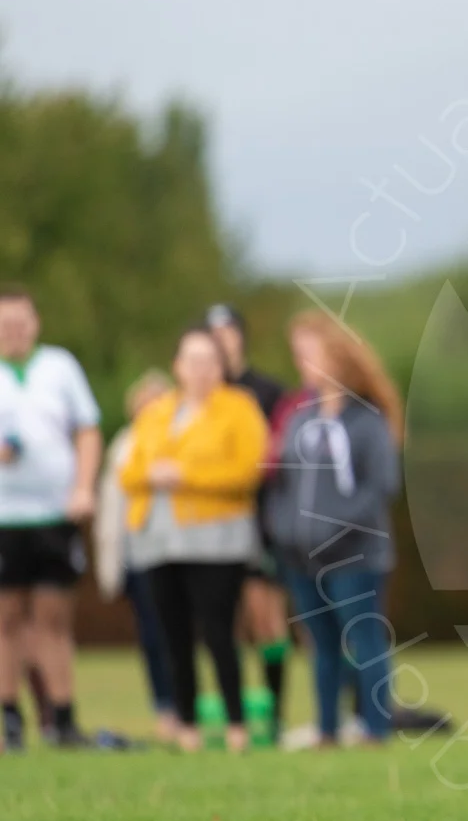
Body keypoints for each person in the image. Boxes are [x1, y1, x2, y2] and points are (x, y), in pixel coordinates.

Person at [121, 327, 268, 753]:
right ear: (177, 367)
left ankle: (236, 723)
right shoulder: (157, 411)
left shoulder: (239, 409)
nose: (201, 369)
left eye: (209, 360)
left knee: (219, 632)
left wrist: (188, 478)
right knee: (173, 634)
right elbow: (128, 471)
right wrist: (152, 475)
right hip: (159, 540)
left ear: (221, 367)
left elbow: (247, 469)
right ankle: (186, 725)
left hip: (216, 541)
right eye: (192, 360)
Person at [266, 310, 402, 747]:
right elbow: (284, 482)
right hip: (301, 557)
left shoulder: (367, 421)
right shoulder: (300, 418)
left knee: (364, 640)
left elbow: (381, 486)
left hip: (355, 555)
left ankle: (376, 729)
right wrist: (284, 530)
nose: (302, 364)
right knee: (320, 646)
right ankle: (327, 729)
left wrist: (334, 528)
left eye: (309, 354)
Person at [0, 285, 102, 750]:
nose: (14, 331)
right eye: (6, 324)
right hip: (5, 517)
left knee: (53, 618)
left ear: (35, 322)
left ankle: (62, 717)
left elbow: (86, 430)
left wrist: (82, 487)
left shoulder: (59, 367)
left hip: (53, 514)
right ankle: (11, 719)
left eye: (22, 322)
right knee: (6, 619)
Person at [206, 303, 291, 736]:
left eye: (227, 332)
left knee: (266, 618)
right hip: (210, 523)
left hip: (259, 522)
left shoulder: (267, 391)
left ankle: (276, 712)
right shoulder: (200, 395)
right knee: (223, 619)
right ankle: (233, 712)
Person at [95, 369, 179, 740]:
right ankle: (164, 706)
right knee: (151, 634)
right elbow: (110, 510)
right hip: (136, 553)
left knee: (180, 632)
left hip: (177, 551)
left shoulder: (181, 440)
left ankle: (189, 705)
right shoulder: (124, 446)